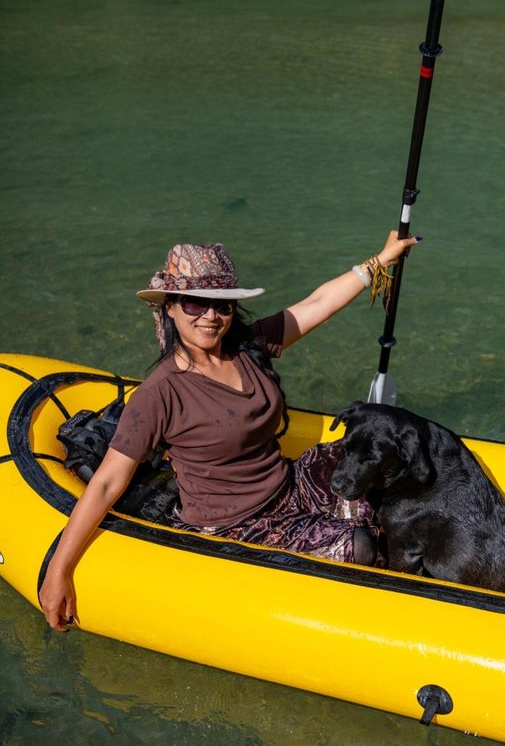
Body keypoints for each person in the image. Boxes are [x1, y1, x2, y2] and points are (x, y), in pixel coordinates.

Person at [40, 231, 420, 631]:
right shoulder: (160, 392)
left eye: (222, 306)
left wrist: (380, 261)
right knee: (358, 543)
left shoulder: (247, 347)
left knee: (376, 474)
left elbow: (316, 304)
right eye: (195, 303)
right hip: (235, 524)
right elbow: (105, 485)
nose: (210, 316)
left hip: (288, 485)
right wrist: (57, 570)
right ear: (169, 308)